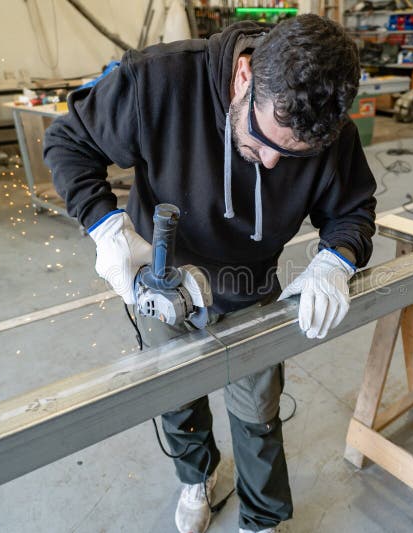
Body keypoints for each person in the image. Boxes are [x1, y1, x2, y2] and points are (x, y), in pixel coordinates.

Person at [44, 14, 376, 533]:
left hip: (251, 288)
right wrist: (105, 226)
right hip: (160, 281)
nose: (268, 163)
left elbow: (351, 210)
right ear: (244, 76)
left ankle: (263, 518)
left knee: (257, 407)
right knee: (177, 396)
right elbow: (68, 140)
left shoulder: (330, 128)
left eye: (290, 156)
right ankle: (197, 477)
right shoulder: (159, 81)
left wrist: (336, 260)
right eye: (263, 139)